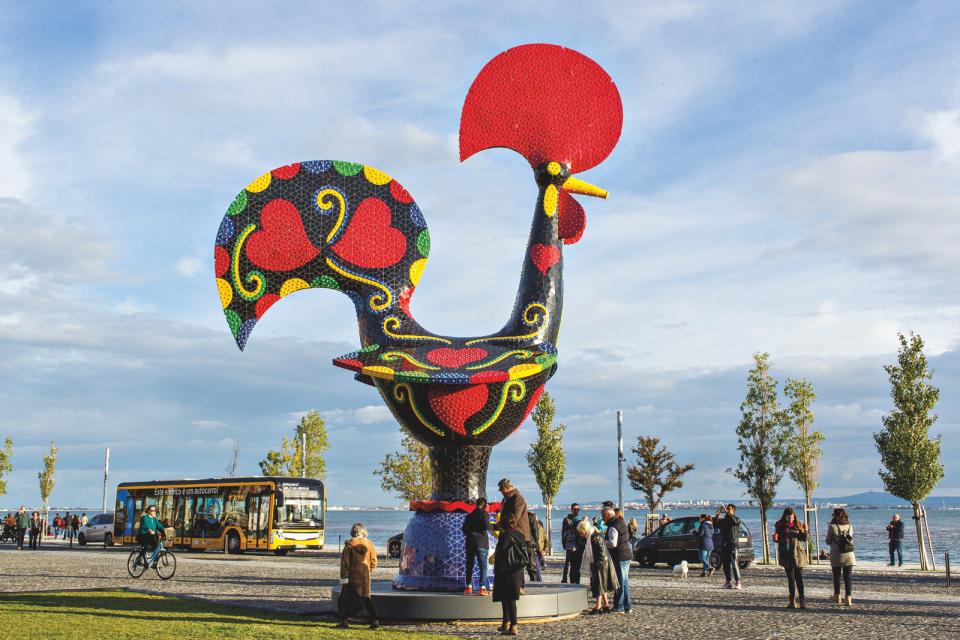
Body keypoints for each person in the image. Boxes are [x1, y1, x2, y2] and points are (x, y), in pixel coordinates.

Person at [338, 522, 380, 629]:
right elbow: (374, 561)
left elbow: (345, 565)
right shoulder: (370, 544)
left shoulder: (349, 546)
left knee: (344, 599)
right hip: (365, 577)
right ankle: (374, 620)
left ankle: (345, 621)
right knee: (366, 598)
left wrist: (344, 580)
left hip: (352, 577)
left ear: (353, 531)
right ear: (363, 531)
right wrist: (368, 571)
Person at [493, 515, 528, 637]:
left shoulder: (505, 536)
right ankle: (506, 623)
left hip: (505, 570)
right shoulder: (521, 535)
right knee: (510, 598)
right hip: (517, 570)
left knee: (507, 599)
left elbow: (500, 553)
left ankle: (513, 625)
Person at [579, 518, 618, 615]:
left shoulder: (593, 537)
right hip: (602, 562)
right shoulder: (593, 536)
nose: (580, 535)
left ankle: (598, 606)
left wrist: (595, 563)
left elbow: (600, 552)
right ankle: (606, 605)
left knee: (599, 585)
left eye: (580, 532)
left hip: (600, 563)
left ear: (584, 531)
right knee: (602, 584)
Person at [773, 507, 809, 609]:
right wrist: (775, 538)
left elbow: (804, 539)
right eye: (789, 517)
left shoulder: (798, 524)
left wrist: (805, 530)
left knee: (799, 577)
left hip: (798, 554)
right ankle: (792, 601)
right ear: (785, 516)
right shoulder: (780, 525)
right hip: (786, 554)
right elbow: (777, 539)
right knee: (791, 578)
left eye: (792, 517)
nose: (791, 519)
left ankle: (802, 601)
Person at [601, 506, 632, 614]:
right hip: (627, 554)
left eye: (603, 517)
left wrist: (602, 542)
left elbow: (613, 543)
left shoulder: (613, 526)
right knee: (625, 582)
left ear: (608, 515)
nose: (603, 519)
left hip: (620, 556)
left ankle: (619, 606)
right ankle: (627, 606)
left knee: (619, 582)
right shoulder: (621, 522)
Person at [825, 508, 855, 606]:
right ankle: (848, 598)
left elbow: (828, 541)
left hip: (836, 553)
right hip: (849, 554)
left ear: (835, 515)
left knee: (837, 576)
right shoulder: (850, 526)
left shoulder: (832, 526)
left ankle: (837, 596)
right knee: (848, 576)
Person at [462, 497, 492, 595]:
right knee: (482, 566)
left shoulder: (469, 515)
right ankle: (482, 588)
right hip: (481, 543)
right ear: (485, 505)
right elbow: (487, 526)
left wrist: (471, 534)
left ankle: (468, 587)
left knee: (469, 565)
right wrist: (495, 526)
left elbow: (464, 529)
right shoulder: (484, 514)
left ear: (476, 504)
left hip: (470, 542)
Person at [715, 504, 742, 589]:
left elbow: (735, 522)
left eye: (729, 509)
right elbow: (716, 525)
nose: (727, 510)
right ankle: (728, 582)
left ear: (733, 510)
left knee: (734, 562)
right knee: (726, 564)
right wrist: (717, 515)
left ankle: (738, 582)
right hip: (724, 544)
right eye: (726, 509)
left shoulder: (736, 518)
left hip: (733, 543)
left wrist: (730, 515)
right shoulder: (724, 520)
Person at [561, 503, 585, 584]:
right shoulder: (567, 520)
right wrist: (564, 544)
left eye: (578, 509)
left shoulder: (580, 520)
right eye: (575, 509)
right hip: (571, 545)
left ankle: (576, 582)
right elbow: (564, 533)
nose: (576, 511)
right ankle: (571, 582)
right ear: (571, 509)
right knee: (571, 565)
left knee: (577, 566)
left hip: (580, 546)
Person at [526, 510, 547, 582]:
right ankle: (535, 581)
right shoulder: (530, 516)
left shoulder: (529, 517)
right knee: (532, 566)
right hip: (529, 544)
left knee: (532, 565)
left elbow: (538, 534)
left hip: (527, 543)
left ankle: (535, 580)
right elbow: (535, 533)